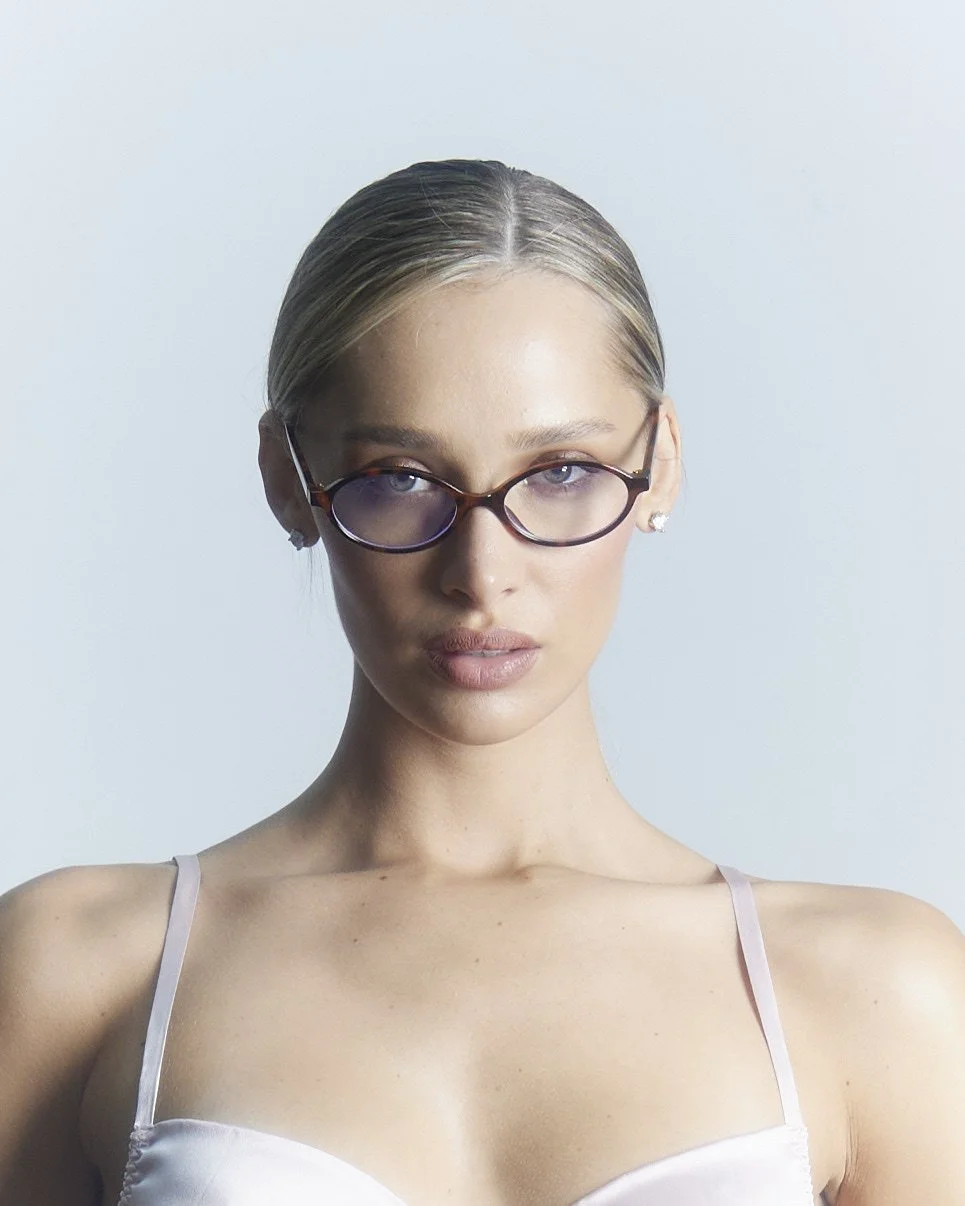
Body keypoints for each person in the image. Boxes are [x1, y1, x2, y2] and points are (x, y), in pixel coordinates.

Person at [1, 159, 963, 1206]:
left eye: (559, 472)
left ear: (662, 464)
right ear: (288, 477)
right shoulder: (83, 973)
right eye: (400, 479)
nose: (481, 574)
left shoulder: (874, 991)